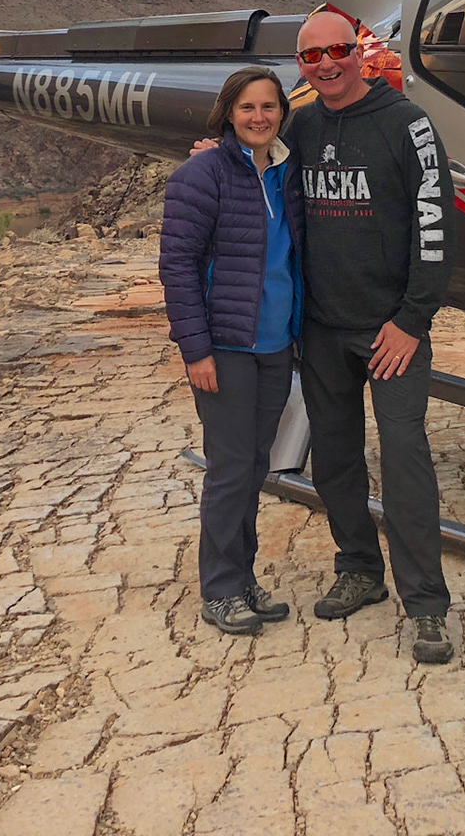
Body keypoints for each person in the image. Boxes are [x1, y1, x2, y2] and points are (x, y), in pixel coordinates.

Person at [289, 10, 457, 664]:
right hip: (322, 328)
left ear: (358, 52)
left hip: (391, 330)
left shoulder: (407, 125)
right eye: (312, 56)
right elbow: (255, 171)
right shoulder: (302, 126)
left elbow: (435, 227)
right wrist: (209, 157)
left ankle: (427, 606)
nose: (327, 64)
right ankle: (359, 567)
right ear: (301, 64)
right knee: (334, 458)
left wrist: (413, 320)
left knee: (405, 458)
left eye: (337, 50)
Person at [159, 65, 305, 636]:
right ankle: (220, 589)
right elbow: (177, 267)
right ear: (228, 112)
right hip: (225, 347)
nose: (259, 117)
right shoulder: (201, 174)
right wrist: (196, 350)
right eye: (247, 107)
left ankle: (242, 579)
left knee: (254, 467)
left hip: (276, 345)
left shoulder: (287, 171)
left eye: (269, 106)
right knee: (228, 469)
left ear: (282, 113)